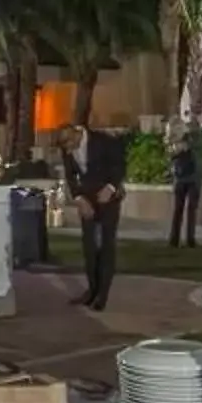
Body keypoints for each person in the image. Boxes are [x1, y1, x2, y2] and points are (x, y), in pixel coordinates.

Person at [58, 122, 127, 311]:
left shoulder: (103, 141)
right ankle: (92, 289)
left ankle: (102, 295)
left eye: (69, 143)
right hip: (87, 200)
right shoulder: (67, 149)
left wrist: (111, 188)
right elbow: (70, 176)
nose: (67, 149)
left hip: (108, 197)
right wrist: (79, 198)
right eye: (64, 146)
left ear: (76, 134)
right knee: (89, 246)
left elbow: (120, 165)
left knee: (106, 244)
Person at [167, 123, 202, 247]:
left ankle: (189, 238)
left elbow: (198, 156)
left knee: (190, 210)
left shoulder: (194, 143)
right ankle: (175, 238)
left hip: (191, 178)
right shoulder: (176, 142)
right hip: (183, 178)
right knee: (179, 209)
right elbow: (172, 155)